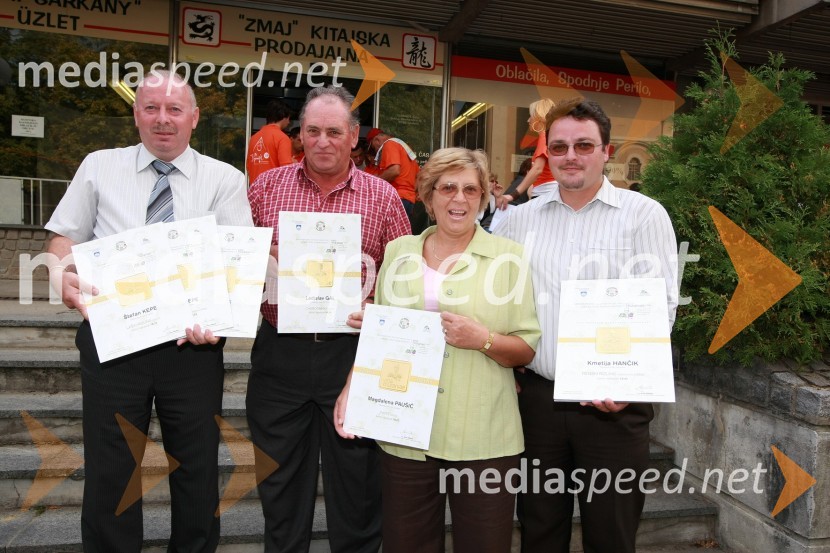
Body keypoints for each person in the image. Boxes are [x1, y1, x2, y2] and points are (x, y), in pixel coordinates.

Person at [44, 70, 253, 552]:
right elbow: (63, 237)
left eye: (174, 109)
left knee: (197, 466)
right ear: (136, 114)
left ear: (194, 118)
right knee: (111, 468)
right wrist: (59, 274)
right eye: (152, 108)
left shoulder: (224, 179)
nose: (163, 119)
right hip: (113, 339)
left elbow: (237, 263)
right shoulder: (99, 166)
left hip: (192, 347)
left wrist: (220, 321)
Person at [334, 147, 541, 553]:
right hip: (404, 429)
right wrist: (351, 385)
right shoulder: (399, 251)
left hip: (483, 434)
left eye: (470, 189)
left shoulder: (510, 258)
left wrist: (482, 339)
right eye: (447, 188)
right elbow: (381, 337)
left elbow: (525, 349)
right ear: (429, 197)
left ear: (483, 198)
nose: (459, 199)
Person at [494, 99, 679, 553]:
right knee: (539, 530)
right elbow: (497, 299)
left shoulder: (644, 215)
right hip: (538, 403)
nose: (570, 156)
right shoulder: (519, 221)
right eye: (559, 147)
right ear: (547, 154)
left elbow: (661, 305)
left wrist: (631, 382)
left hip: (614, 404)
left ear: (606, 151)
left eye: (583, 145)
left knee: (612, 534)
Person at [246, 85, 411, 553]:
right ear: (300, 134)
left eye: (334, 132)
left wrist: (379, 306)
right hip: (280, 355)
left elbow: (404, 280)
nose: (323, 141)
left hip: (353, 357)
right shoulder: (265, 190)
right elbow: (235, 268)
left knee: (359, 493)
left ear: (354, 136)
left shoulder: (384, 198)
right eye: (313, 131)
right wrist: (259, 262)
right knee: (279, 490)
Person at [498, 98, 556, 207]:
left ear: (539, 117)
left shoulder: (544, 137)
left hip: (544, 194)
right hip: (547, 194)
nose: (528, 120)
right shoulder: (550, 137)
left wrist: (513, 195)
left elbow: (537, 169)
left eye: (531, 116)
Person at [365, 128, 419, 217]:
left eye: (373, 147)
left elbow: (394, 171)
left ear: (376, 140)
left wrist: (375, 181)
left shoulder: (389, 144)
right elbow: (418, 176)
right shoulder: (404, 147)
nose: (376, 151)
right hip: (409, 199)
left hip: (397, 197)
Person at [247, 98, 293, 183]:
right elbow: (287, 170)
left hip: (255, 188)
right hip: (274, 189)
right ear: (283, 116)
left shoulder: (254, 138)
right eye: (289, 118)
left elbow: (248, 167)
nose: (289, 122)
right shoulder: (282, 138)